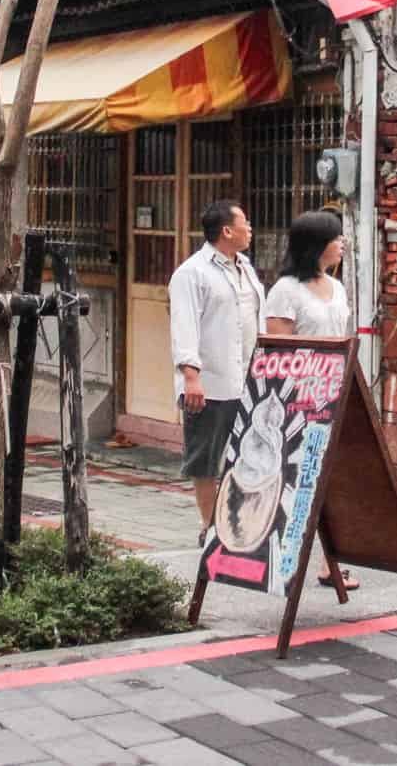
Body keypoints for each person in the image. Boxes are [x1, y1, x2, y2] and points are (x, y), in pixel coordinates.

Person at [263, 207, 360, 591]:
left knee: (334, 480)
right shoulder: (285, 291)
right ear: (317, 246)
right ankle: (281, 557)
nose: (341, 244)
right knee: (299, 479)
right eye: (336, 238)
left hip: (335, 394)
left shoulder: (337, 286)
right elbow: (278, 351)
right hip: (299, 401)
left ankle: (329, 563)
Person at [168, 199, 266, 541]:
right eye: (245, 224)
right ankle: (209, 527)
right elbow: (185, 327)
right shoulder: (192, 273)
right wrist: (191, 377)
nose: (250, 229)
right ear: (227, 231)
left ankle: (238, 523)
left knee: (246, 457)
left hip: (248, 380)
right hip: (210, 383)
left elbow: (258, 320)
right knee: (206, 458)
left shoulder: (246, 268)